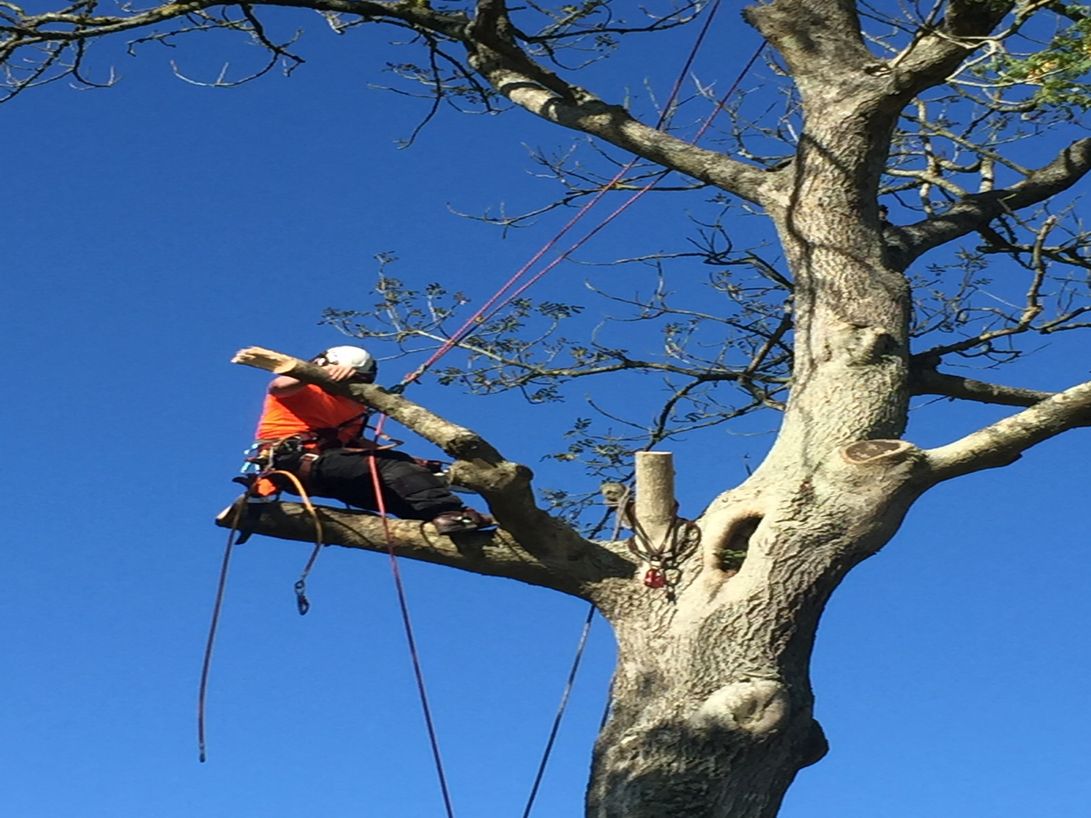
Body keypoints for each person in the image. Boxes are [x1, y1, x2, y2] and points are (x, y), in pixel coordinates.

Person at [249, 345, 492, 534]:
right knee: (391, 465)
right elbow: (278, 385)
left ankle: (445, 524)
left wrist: (416, 464)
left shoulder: (355, 408)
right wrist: (314, 374)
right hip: (294, 461)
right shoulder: (302, 389)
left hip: (329, 469)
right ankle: (449, 514)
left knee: (396, 490)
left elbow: (355, 444)